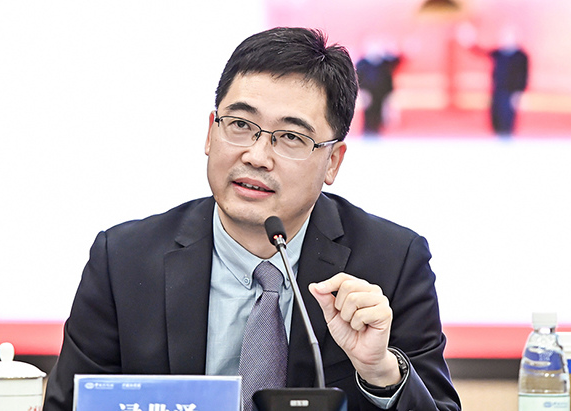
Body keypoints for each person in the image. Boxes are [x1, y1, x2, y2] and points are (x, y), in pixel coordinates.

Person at [43, 27, 461, 411]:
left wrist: (382, 373)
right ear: (210, 133)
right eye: (241, 125)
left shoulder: (392, 262)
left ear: (333, 161)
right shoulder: (123, 260)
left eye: (291, 137)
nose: (256, 156)